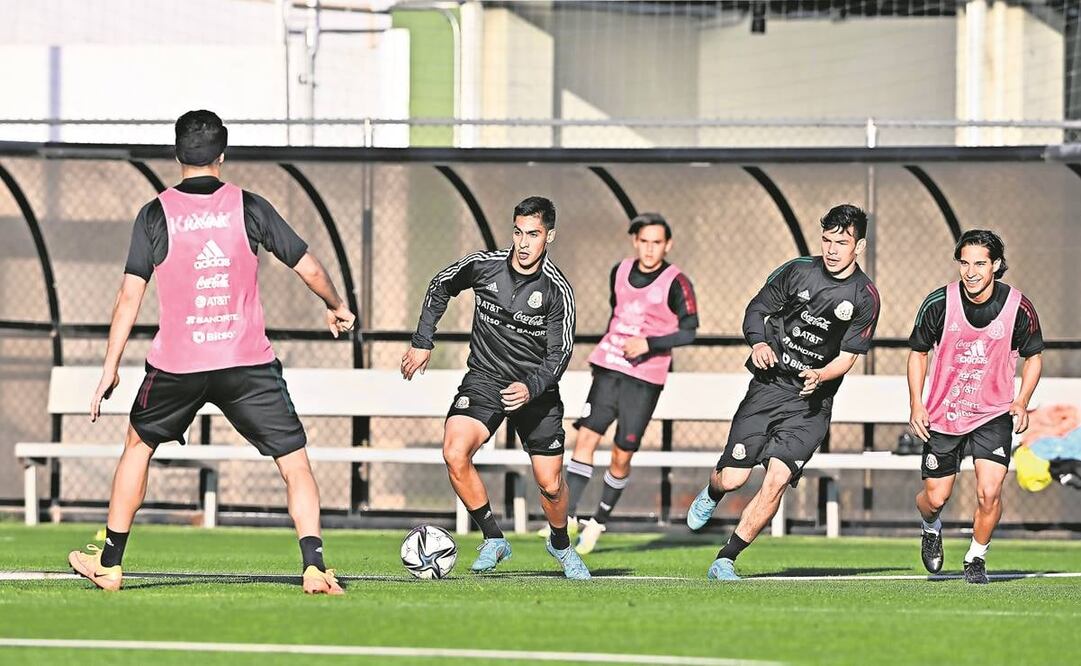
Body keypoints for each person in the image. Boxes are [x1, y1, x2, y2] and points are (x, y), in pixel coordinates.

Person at [68, 110, 355, 594]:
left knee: (138, 446)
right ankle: (314, 566)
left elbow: (128, 296)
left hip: (178, 364)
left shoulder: (154, 213)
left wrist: (109, 367)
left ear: (177, 154)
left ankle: (111, 565)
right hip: (247, 364)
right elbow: (307, 267)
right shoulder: (249, 206)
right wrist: (336, 304)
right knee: (295, 461)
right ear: (222, 155)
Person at [686, 204, 880, 581]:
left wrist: (821, 374)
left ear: (859, 246)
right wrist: (758, 343)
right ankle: (712, 492)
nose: (832, 249)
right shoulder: (797, 271)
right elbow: (756, 310)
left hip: (810, 404)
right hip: (768, 387)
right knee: (734, 479)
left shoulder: (865, 297)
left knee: (776, 480)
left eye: (842, 242)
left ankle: (726, 559)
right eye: (827, 240)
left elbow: (848, 356)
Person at [400, 196, 589, 580]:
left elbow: (561, 352)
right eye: (518, 232)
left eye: (533, 234)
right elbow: (440, 285)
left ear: (549, 236)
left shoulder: (557, 292)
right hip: (485, 379)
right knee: (455, 452)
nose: (523, 243)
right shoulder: (484, 267)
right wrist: (423, 341)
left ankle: (560, 543)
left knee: (551, 486)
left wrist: (531, 387)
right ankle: (493, 537)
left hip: (535, 390)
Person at [908, 229, 1043, 584]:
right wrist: (916, 405)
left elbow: (1034, 357)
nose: (970, 271)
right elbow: (918, 353)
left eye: (980, 263)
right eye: (964, 263)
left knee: (990, 491)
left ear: (996, 265)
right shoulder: (939, 303)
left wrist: (1022, 400)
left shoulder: (1018, 307)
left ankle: (976, 557)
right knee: (935, 498)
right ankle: (930, 527)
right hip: (944, 415)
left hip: (992, 414)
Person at [566, 213, 698, 554]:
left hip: (645, 377)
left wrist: (649, 344)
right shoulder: (620, 271)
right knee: (585, 437)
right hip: (609, 367)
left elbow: (689, 331)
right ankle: (565, 517)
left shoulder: (676, 281)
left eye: (657, 242)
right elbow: (617, 313)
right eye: (644, 241)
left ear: (667, 245)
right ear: (634, 241)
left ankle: (597, 523)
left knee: (622, 454)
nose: (650, 248)